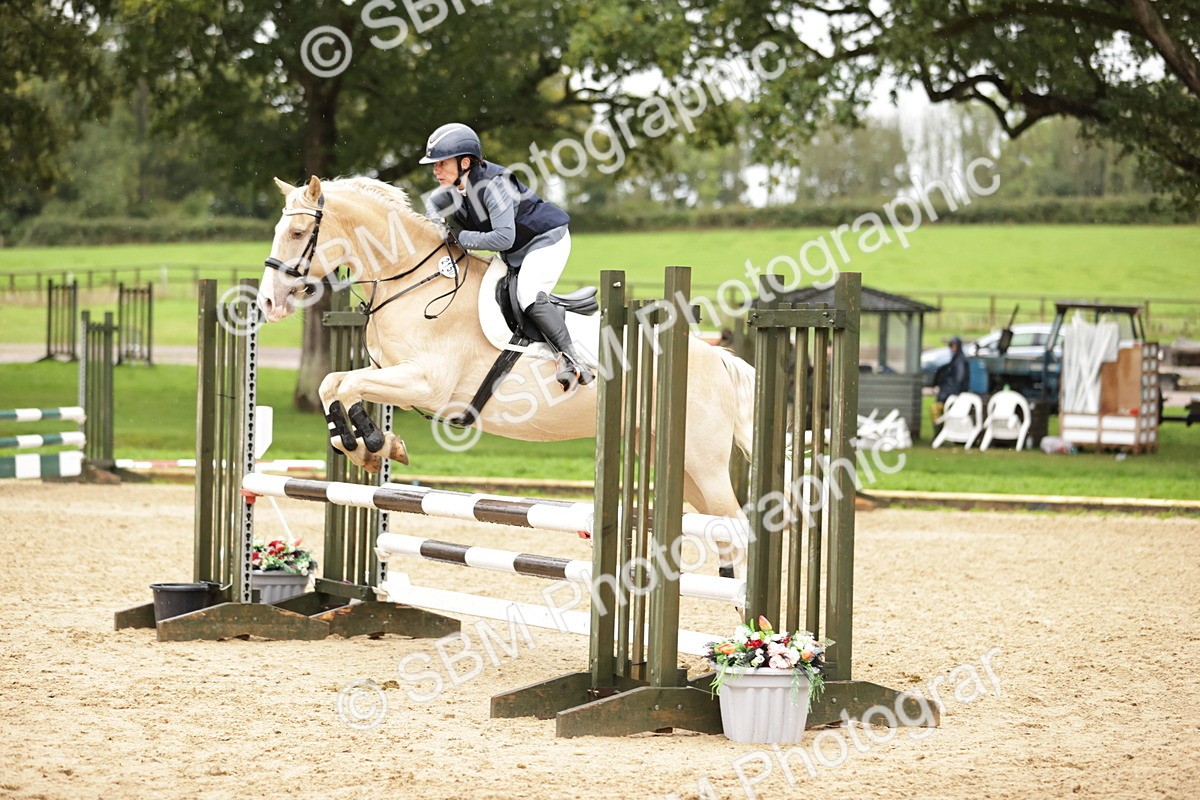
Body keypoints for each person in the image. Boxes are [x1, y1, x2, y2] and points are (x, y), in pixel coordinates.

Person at [419, 122, 594, 390]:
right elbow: (432, 204)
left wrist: (460, 237)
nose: (435, 169)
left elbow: (504, 237)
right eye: (435, 163)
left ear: (465, 162)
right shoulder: (455, 188)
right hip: (515, 251)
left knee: (527, 294)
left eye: (442, 163)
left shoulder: (494, 186)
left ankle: (573, 358)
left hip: (546, 240)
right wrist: (437, 226)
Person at [932, 335, 971, 425]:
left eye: (954, 346)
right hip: (948, 391)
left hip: (952, 393)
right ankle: (939, 428)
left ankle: (940, 429)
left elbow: (959, 378)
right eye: (951, 345)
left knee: (936, 409)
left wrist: (951, 392)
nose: (952, 348)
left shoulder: (959, 360)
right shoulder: (955, 359)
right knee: (936, 410)